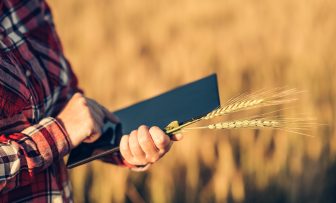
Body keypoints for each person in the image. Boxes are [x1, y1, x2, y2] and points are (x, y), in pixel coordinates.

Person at [0, 0, 182, 202]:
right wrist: (59, 132)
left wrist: (122, 146)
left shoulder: (27, 5)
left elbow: (65, 105)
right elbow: (65, 126)